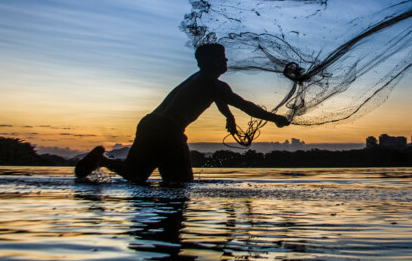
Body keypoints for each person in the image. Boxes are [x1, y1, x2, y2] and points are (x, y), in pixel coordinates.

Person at [75, 43, 289, 183]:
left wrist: (229, 117)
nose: (226, 61)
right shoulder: (215, 85)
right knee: (180, 183)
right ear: (207, 62)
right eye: (221, 58)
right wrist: (276, 119)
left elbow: (221, 100)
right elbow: (245, 106)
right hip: (168, 131)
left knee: (135, 174)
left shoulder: (201, 79)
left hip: (151, 124)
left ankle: (102, 160)